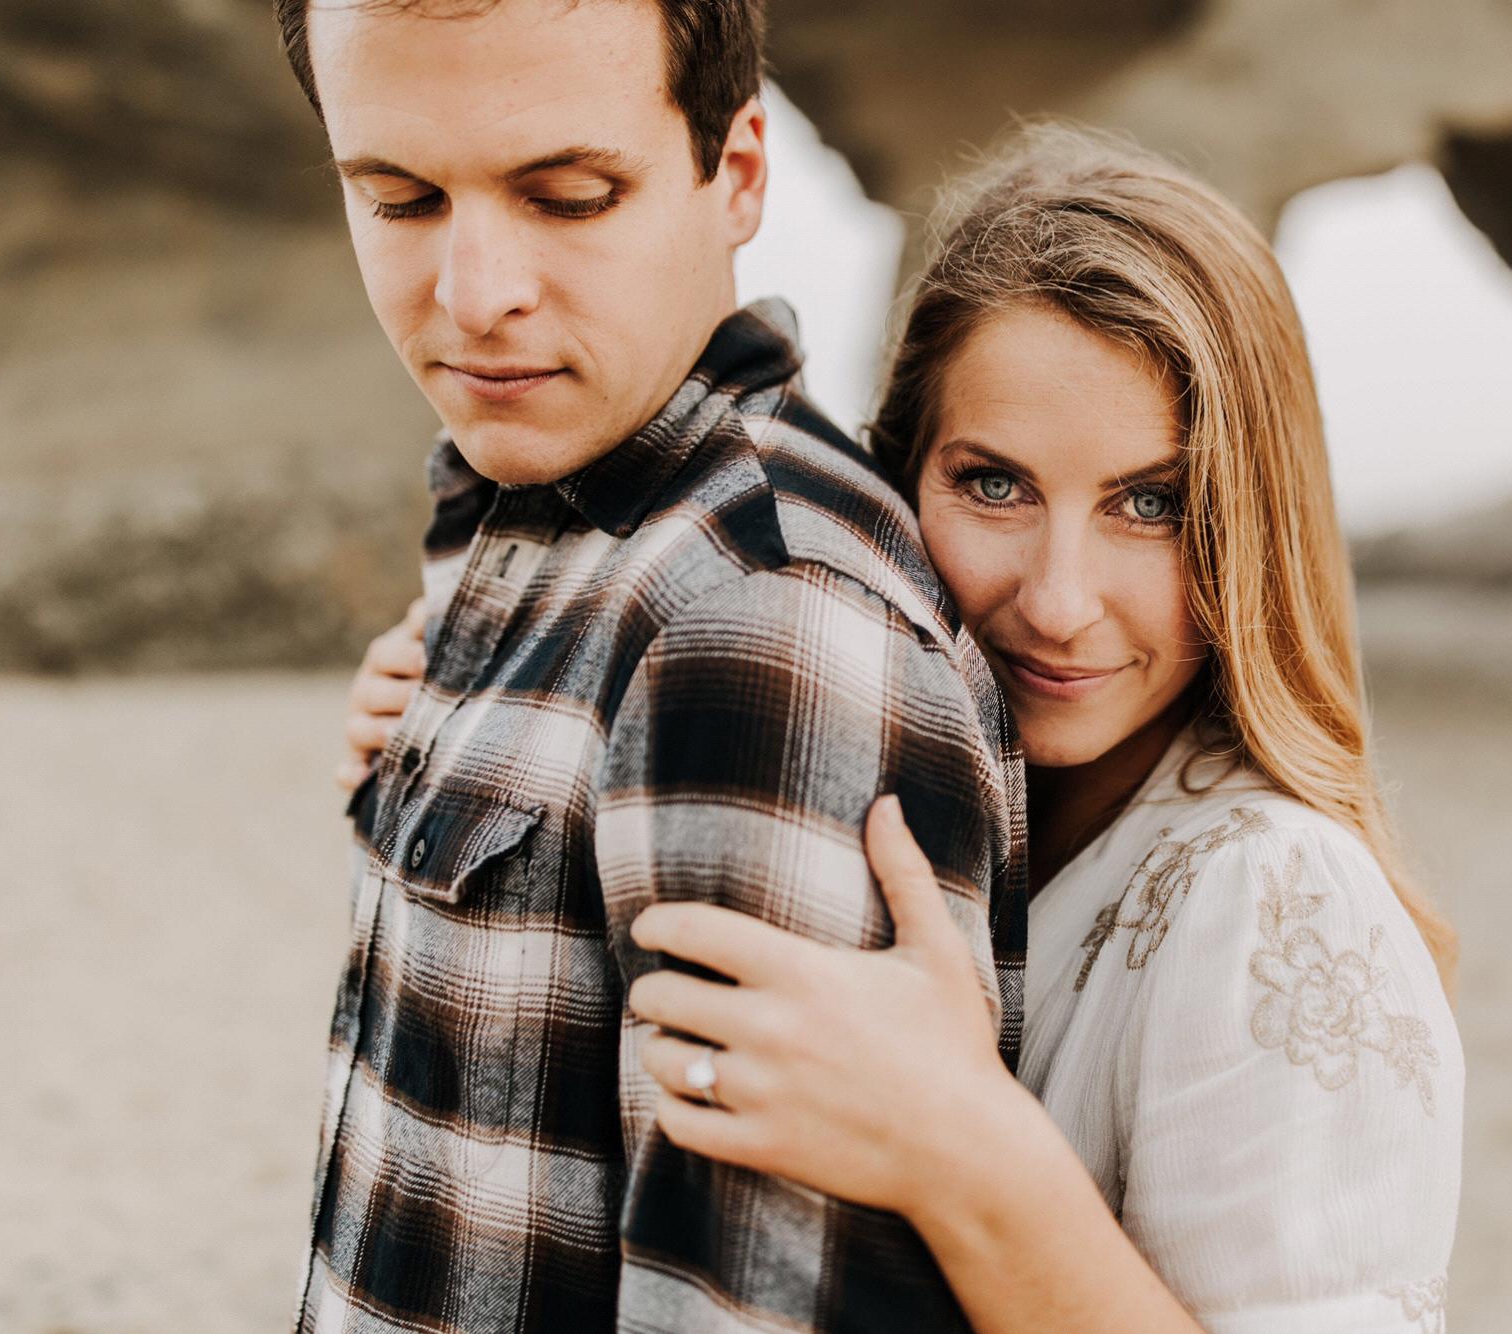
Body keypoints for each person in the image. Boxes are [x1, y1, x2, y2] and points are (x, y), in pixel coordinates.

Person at [346, 129, 1464, 1330]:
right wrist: (490, 714)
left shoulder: (1269, 895)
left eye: (1150, 503)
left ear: (1252, 526)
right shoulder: (914, 783)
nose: (1058, 600)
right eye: (994, 484)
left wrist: (962, 1143)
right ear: (894, 479)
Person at [280, 0, 1024, 1330]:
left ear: (735, 174)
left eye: (568, 197)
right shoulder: (545, 520)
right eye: (399, 199)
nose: (475, 295)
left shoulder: (761, 619)